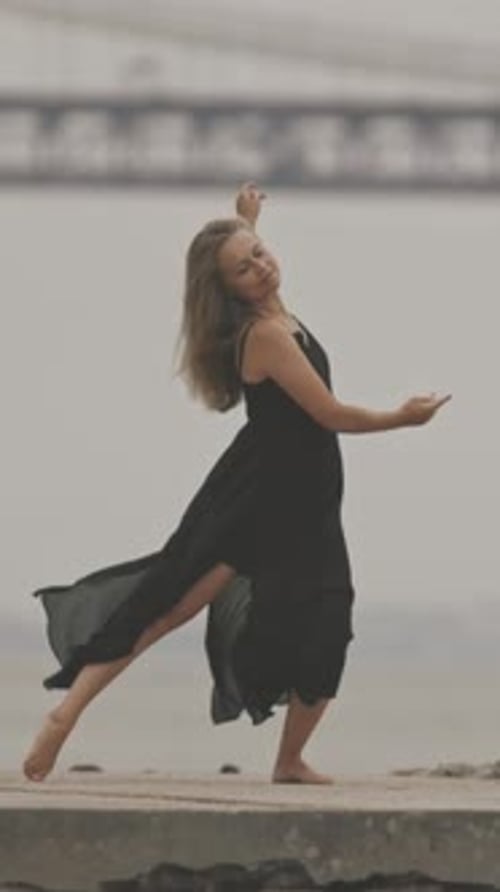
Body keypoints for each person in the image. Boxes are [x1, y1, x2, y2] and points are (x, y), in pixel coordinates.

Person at [22, 183, 451, 785]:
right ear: (229, 291)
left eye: (260, 254)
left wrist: (244, 223)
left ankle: (289, 760)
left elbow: (243, 263)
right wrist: (401, 418)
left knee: (328, 619)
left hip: (308, 499)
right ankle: (63, 717)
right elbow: (329, 414)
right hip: (261, 495)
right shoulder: (265, 335)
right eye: (245, 269)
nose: (262, 267)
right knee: (168, 606)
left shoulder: (273, 308)